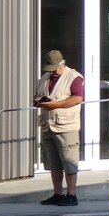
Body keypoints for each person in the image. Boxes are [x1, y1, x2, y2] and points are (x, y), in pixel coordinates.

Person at [33, 49, 84, 206]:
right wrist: (38, 101)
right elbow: (38, 95)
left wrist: (55, 104)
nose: (52, 72)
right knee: (53, 163)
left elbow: (77, 98)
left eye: (55, 69)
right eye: (50, 69)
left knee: (69, 162)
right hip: (47, 126)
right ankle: (57, 194)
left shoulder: (74, 77)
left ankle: (72, 195)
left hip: (66, 127)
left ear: (62, 64)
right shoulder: (44, 78)